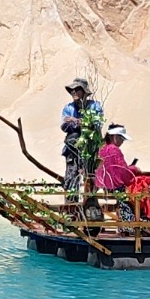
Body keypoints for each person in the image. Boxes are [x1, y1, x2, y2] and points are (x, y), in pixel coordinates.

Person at [58, 79, 105, 215]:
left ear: (84, 91)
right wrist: (80, 123)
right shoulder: (69, 107)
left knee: (90, 181)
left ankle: (90, 211)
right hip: (72, 151)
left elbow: (97, 124)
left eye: (77, 89)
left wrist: (77, 121)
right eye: (72, 90)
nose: (74, 92)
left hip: (90, 152)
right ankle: (71, 214)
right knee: (71, 179)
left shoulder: (95, 106)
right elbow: (64, 125)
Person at [93, 126, 139, 221]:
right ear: (114, 137)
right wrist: (134, 169)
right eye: (121, 138)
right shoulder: (114, 150)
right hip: (115, 186)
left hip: (104, 184)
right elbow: (122, 171)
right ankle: (135, 224)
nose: (122, 141)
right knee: (145, 189)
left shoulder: (102, 148)